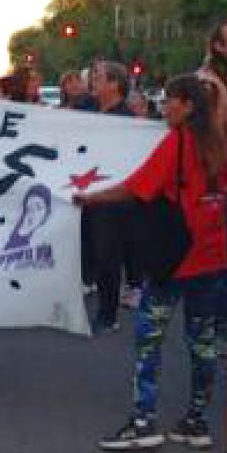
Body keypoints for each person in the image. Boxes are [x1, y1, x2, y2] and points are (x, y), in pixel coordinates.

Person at [78, 75, 227, 453]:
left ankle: (143, 419)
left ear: (187, 105)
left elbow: (135, 187)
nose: (164, 108)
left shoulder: (177, 143)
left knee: (149, 338)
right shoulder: (217, 145)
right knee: (203, 341)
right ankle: (196, 420)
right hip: (211, 256)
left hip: (174, 259)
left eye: (170, 102)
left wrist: (92, 198)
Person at [83, 61, 141, 333]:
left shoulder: (125, 118)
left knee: (109, 255)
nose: (93, 81)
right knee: (98, 251)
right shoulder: (94, 113)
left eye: (98, 77)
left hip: (116, 198)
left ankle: (108, 315)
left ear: (115, 84)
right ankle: (104, 312)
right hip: (94, 194)